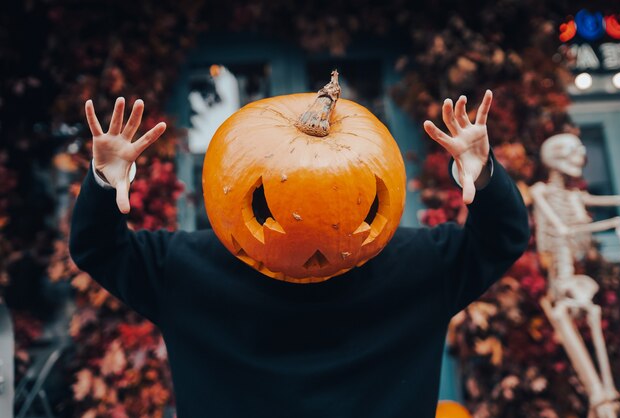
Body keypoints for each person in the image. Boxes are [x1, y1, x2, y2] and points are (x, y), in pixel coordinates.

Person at [70, 92, 530, 418]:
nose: (310, 240)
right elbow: (501, 238)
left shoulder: (180, 267)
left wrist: (105, 182)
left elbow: (97, 248)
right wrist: (483, 177)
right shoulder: (424, 260)